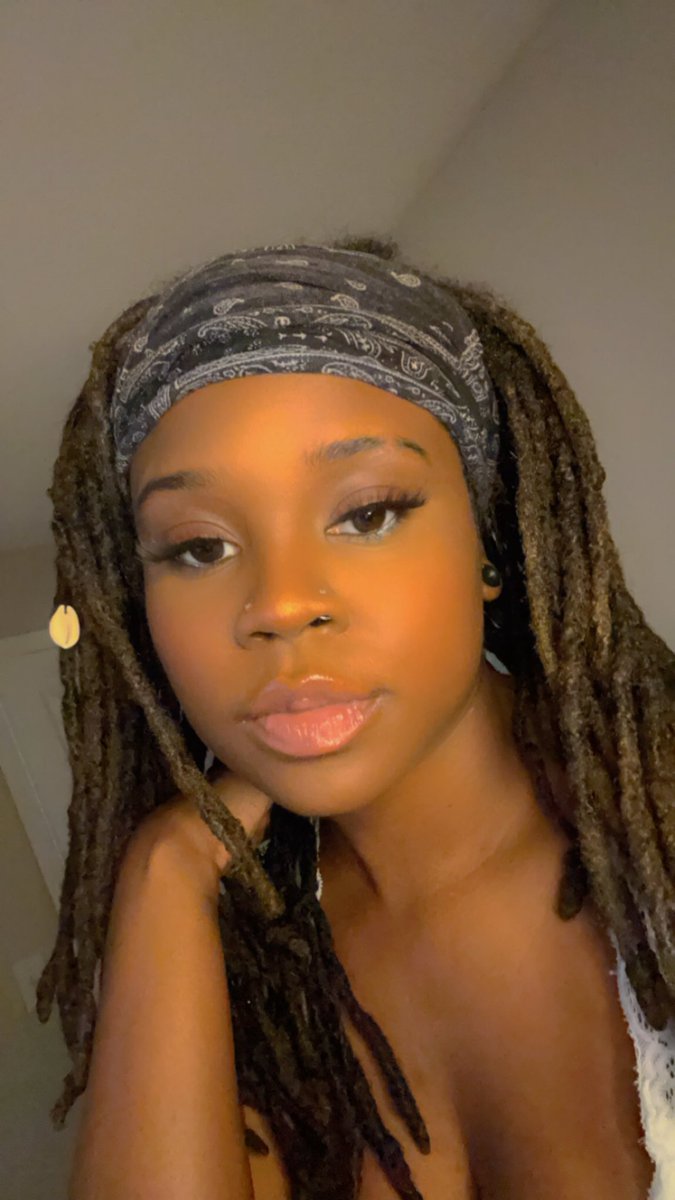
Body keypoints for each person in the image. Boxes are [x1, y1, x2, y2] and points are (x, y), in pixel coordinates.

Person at [39, 235, 674, 1198]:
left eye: (368, 513)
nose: (280, 604)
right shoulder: (249, 962)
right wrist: (162, 874)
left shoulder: (656, 833)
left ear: (487, 540)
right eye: (200, 548)